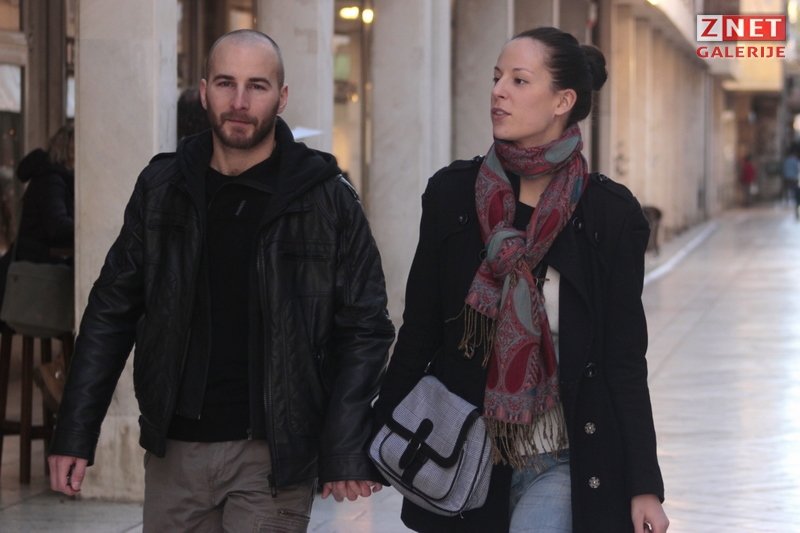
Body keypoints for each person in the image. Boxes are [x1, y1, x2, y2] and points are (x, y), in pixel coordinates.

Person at [48, 29, 394, 533]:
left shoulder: (327, 198)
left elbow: (365, 326)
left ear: (282, 97)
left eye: (257, 86)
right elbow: (110, 312)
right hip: (175, 452)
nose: (240, 102)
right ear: (205, 91)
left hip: (273, 458)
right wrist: (74, 432)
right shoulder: (161, 188)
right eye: (227, 83)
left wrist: (343, 443)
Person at [373, 27, 668, 533]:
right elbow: (419, 330)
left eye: (518, 79)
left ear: (562, 101)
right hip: (462, 453)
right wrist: (372, 435)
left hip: (563, 457)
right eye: (496, 77)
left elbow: (622, 360)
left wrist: (645, 485)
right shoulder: (452, 195)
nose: (498, 91)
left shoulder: (611, 216)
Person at [0, 123, 75, 319]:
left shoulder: (53, 178)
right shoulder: (53, 180)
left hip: (31, 266)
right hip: (36, 271)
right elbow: (57, 226)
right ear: (70, 152)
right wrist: (86, 227)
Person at [781, 146, 800, 217]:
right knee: (793, 189)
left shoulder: (786, 161)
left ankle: (786, 200)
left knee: (786, 189)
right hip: (793, 177)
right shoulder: (795, 161)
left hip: (787, 177)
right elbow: (797, 169)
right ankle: (792, 199)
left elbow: (783, 168)